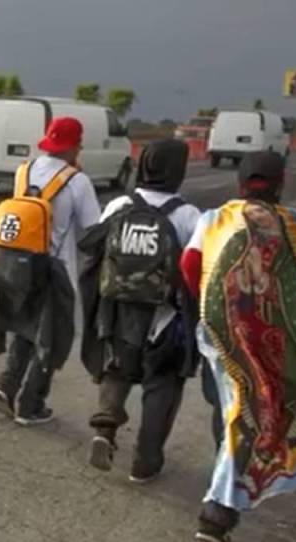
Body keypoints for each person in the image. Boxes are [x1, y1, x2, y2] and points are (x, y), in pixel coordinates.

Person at [180, 151, 296, 542]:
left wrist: (213, 304)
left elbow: (190, 265)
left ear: (240, 182)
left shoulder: (213, 218)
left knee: (237, 412)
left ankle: (223, 491)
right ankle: (218, 511)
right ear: (280, 182)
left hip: (221, 336)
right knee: (258, 419)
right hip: (274, 345)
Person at [79, 139, 201, 482]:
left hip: (117, 313)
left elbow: (96, 253)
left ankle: (105, 428)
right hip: (164, 317)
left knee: (117, 370)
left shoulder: (119, 204)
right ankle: (145, 463)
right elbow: (196, 272)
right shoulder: (188, 215)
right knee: (162, 385)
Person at [0, 117, 101, 426]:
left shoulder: (24, 170)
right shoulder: (77, 181)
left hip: (14, 264)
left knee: (25, 329)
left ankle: (5, 385)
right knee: (53, 337)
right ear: (75, 146)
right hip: (54, 270)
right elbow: (92, 232)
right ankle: (31, 405)